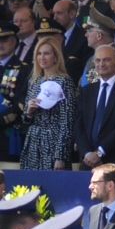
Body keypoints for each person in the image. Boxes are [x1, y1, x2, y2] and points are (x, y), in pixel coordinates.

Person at [74, 44, 115, 170]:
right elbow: (79, 124)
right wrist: (87, 153)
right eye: (98, 60)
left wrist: (100, 152)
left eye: (107, 60)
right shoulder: (87, 90)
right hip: (88, 163)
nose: (101, 64)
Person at [20, 33, 76, 170]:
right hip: (33, 142)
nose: (42, 57)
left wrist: (60, 156)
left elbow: (67, 121)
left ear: (55, 56)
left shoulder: (64, 81)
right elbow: (25, 120)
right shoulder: (34, 81)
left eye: (46, 53)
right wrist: (28, 112)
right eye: (39, 54)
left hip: (53, 142)